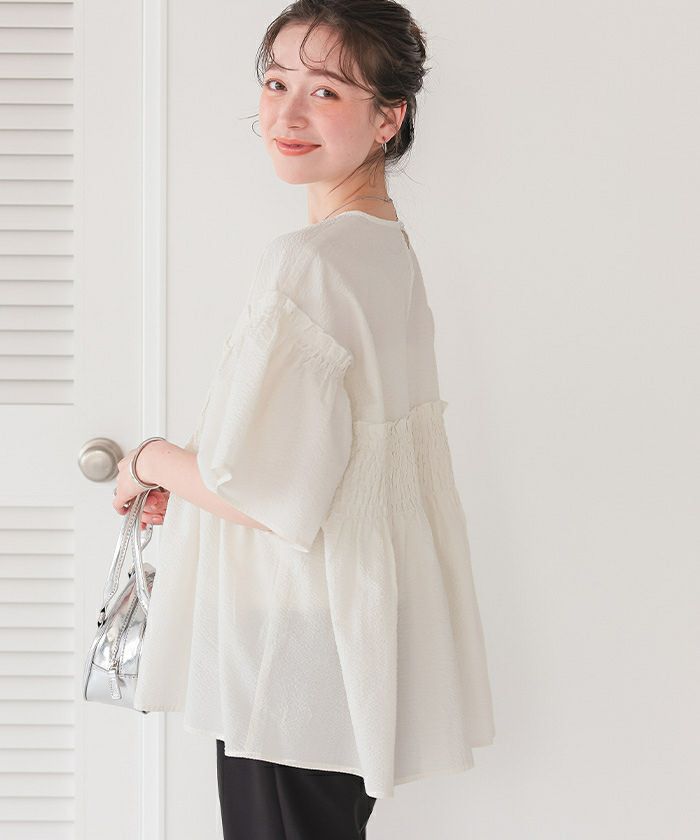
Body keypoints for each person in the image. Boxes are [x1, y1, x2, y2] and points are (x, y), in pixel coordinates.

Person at [113, 2, 496, 838]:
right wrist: (199, 485)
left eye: (325, 91)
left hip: (290, 642)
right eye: (276, 82)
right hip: (351, 628)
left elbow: (256, 491)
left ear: (388, 117)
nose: (287, 113)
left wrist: (149, 461)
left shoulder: (311, 262)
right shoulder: (384, 247)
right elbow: (336, 465)